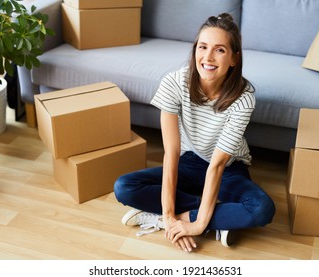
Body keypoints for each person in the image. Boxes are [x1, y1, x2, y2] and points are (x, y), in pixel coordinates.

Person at [114, 13, 275, 252]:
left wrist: (198, 225)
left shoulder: (244, 97)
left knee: (262, 209)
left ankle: (177, 218)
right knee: (124, 186)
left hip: (229, 167)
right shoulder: (173, 83)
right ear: (195, 50)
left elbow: (218, 166)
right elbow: (171, 152)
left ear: (234, 58)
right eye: (203, 47)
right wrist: (169, 215)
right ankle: (218, 218)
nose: (208, 57)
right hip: (189, 161)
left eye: (219, 50)